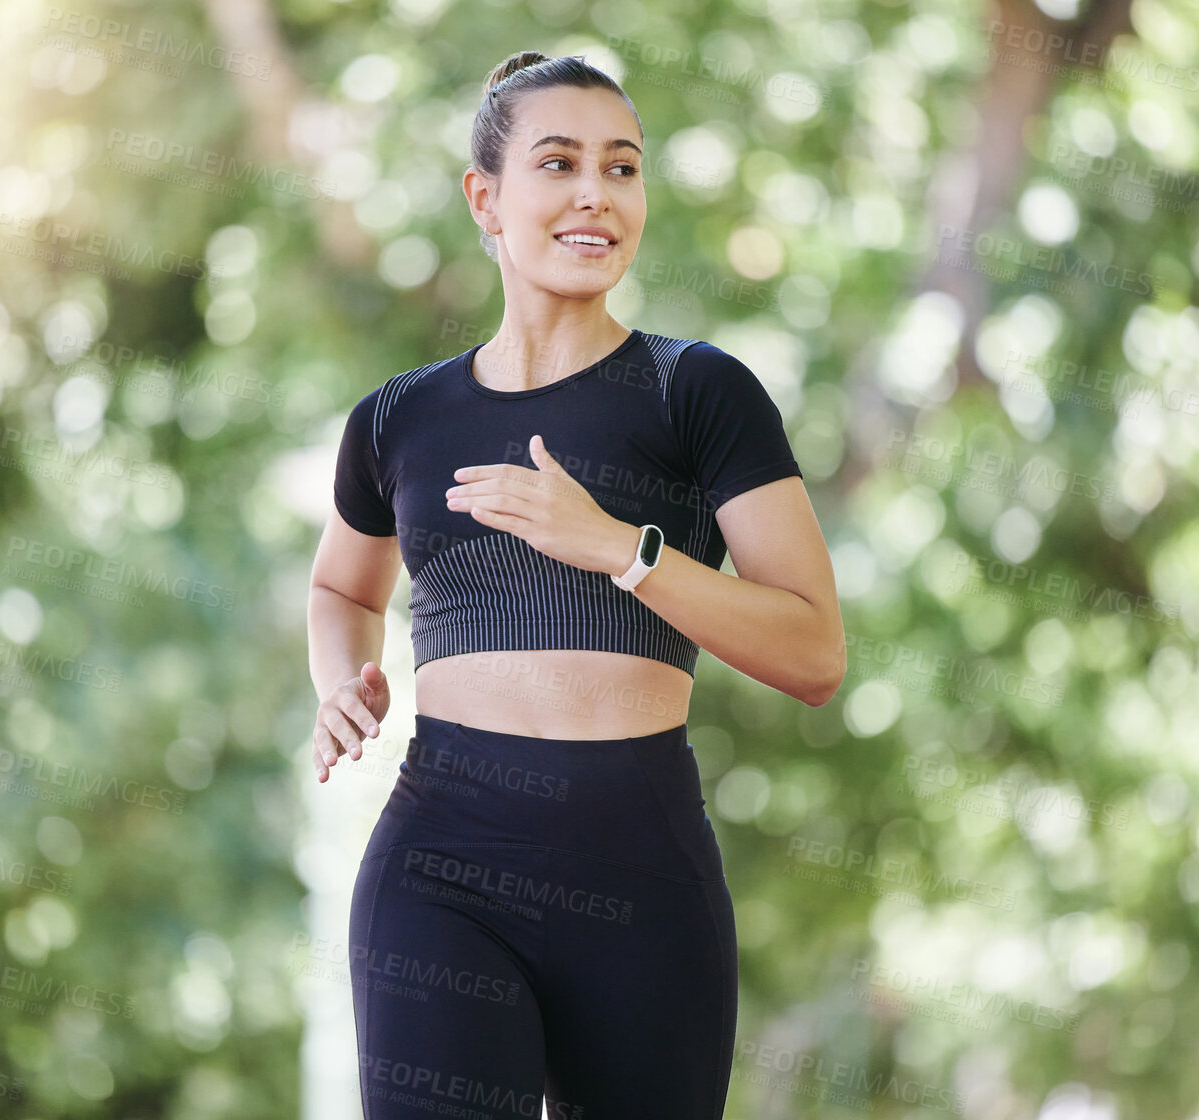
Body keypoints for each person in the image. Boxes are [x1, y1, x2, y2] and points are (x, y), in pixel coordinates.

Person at [306, 49, 844, 1120]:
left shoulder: (699, 392)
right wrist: (341, 682)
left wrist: (621, 549)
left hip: (644, 875)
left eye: (623, 168)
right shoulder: (396, 419)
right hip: (440, 864)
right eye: (559, 163)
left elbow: (814, 653)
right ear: (486, 198)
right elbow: (340, 587)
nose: (597, 193)